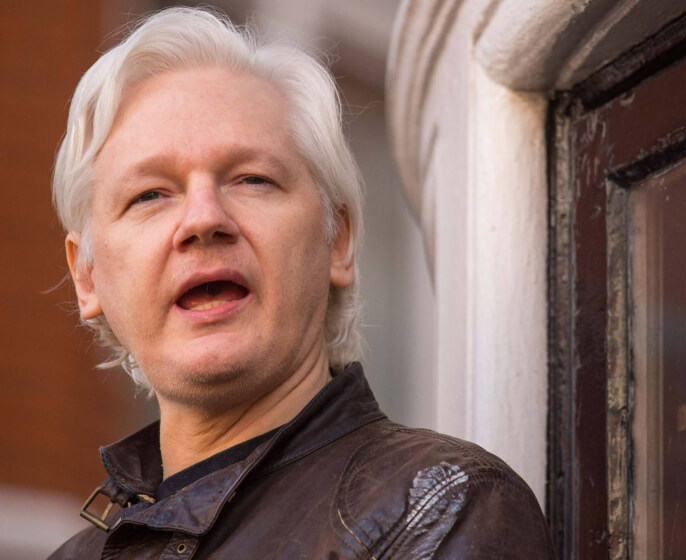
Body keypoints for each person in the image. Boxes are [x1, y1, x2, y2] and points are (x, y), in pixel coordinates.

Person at [49, 7, 556, 559]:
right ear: (87, 276)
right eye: (149, 195)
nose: (203, 219)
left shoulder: (439, 508)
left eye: (253, 179)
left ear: (338, 240)